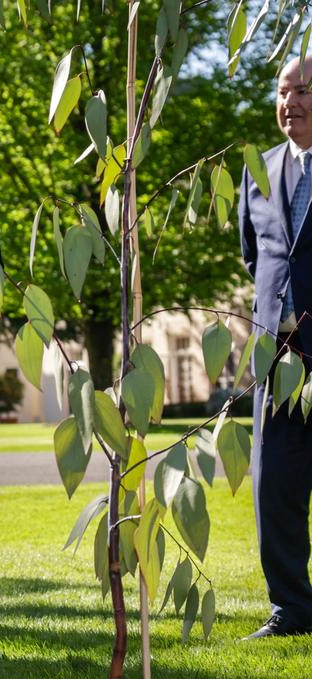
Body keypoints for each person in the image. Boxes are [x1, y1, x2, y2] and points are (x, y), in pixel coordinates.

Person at [237, 54, 312, 639]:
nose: (292, 102)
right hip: (279, 358)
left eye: (305, 89)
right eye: (284, 91)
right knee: (275, 487)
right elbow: (255, 256)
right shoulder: (256, 170)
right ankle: (291, 610)